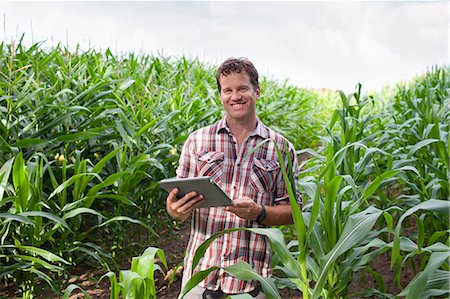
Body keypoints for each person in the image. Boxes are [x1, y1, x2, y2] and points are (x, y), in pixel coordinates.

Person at [166, 57, 300, 298]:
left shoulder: (280, 147)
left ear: (257, 92)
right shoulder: (197, 141)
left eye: (242, 89)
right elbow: (177, 201)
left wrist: (259, 212)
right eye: (228, 90)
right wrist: (176, 211)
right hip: (200, 275)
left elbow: (293, 212)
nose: (235, 96)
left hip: (250, 279)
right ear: (220, 95)